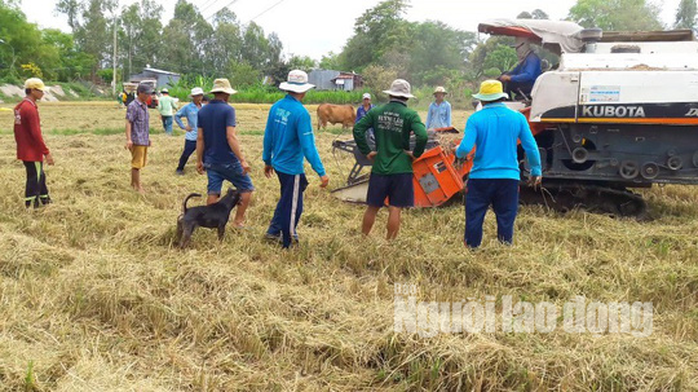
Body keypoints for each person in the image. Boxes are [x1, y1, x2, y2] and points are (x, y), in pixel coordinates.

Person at [455, 80, 542, 249]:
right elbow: (531, 147)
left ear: (483, 100)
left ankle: (472, 249)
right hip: (508, 178)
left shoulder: (475, 119)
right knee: (506, 217)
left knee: (474, 216)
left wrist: (457, 152)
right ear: (501, 97)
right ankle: (504, 248)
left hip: (480, 178)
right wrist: (535, 170)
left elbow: (465, 148)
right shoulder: (517, 118)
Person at [353, 79, 427, 240]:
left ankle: (363, 238)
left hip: (380, 166)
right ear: (406, 97)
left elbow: (358, 129)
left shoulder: (376, 112)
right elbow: (422, 135)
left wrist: (367, 151)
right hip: (402, 169)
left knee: (372, 207)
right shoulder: (410, 115)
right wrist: (416, 154)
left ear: (390, 94)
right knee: (395, 208)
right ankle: (390, 243)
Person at [263, 70, 329, 249]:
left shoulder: (277, 107)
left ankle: (273, 230)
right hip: (291, 167)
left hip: (278, 164)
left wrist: (267, 160)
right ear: (303, 90)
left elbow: (268, 134)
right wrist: (321, 172)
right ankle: (289, 240)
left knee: (287, 198)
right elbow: (308, 147)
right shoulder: (301, 113)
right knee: (294, 207)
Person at [196, 78, 253, 228]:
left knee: (213, 192)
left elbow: (200, 138)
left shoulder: (202, 111)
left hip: (210, 160)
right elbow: (230, 136)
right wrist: (242, 159)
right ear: (227, 94)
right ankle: (238, 221)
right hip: (228, 160)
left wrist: (199, 160)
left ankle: (209, 223)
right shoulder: (228, 110)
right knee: (247, 187)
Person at [14, 78, 54, 208]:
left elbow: (17, 130)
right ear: (32, 91)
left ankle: (45, 199)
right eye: (40, 91)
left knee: (39, 175)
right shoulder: (30, 109)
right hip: (32, 151)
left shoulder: (20, 107)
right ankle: (31, 204)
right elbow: (36, 133)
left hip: (24, 148)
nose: (43, 93)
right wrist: (46, 152)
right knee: (35, 177)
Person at [125, 83, 153, 194]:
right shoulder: (133, 106)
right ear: (140, 93)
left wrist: (148, 138)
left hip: (143, 139)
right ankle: (138, 187)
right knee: (136, 164)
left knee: (140, 163)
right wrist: (129, 139)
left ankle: (133, 183)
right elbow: (128, 122)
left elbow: (144, 124)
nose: (148, 96)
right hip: (136, 139)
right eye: (146, 94)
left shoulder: (144, 105)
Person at [174, 87, 205, 175]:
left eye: (200, 95)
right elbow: (177, 116)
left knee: (205, 153)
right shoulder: (187, 107)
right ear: (193, 97)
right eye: (197, 95)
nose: (199, 97)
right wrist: (183, 126)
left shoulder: (204, 107)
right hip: (192, 135)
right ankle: (180, 168)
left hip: (203, 135)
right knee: (187, 152)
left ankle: (203, 168)